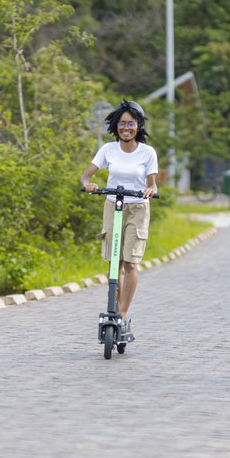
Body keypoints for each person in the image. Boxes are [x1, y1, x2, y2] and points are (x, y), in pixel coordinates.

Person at [79, 100, 159, 340]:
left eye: (131, 123)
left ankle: (122, 313)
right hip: (113, 206)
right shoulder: (107, 150)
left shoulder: (148, 152)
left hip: (137, 208)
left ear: (138, 126)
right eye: (122, 124)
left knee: (130, 263)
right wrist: (89, 185)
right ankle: (114, 310)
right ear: (116, 126)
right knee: (114, 261)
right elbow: (85, 177)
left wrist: (151, 189)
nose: (126, 128)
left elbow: (153, 183)